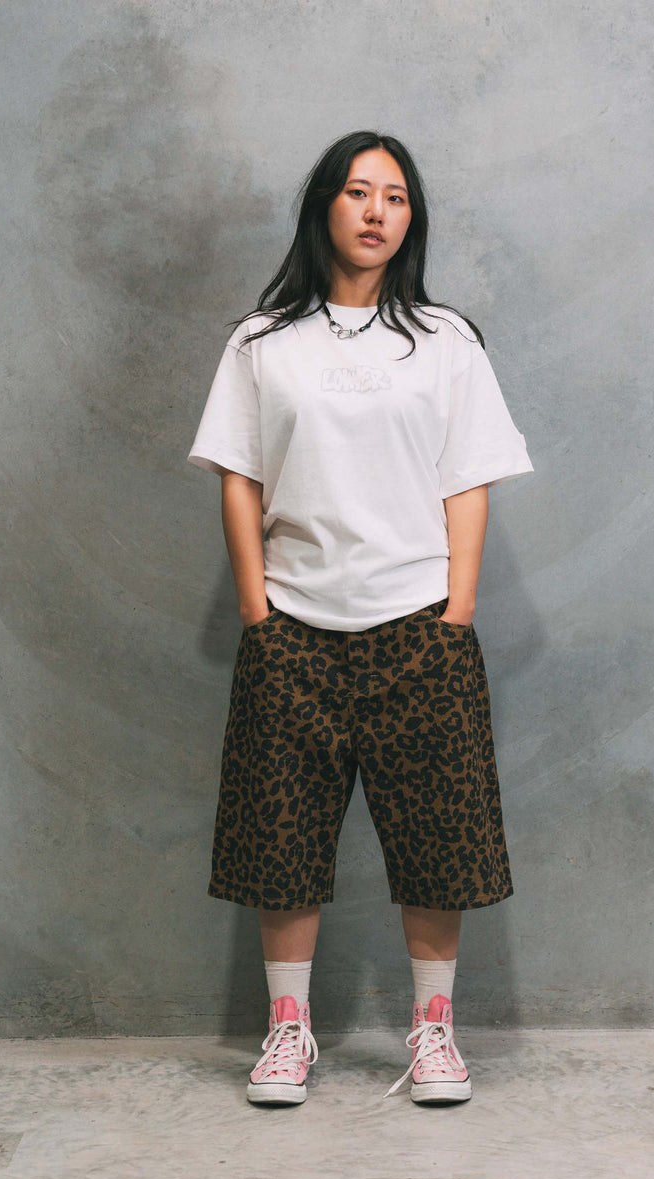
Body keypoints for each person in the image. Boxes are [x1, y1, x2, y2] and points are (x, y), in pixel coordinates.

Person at [187, 130, 533, 1107]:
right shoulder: (262, 343)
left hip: (418, 622)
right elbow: (239, 475)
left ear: (410, 218)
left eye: (395, 196)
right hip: (292, 625)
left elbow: (467, 479)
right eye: (356, 191)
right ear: (324, 208)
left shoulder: (445, 341)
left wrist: (455, 612)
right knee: (279, 837)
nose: (376, 211)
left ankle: (434, 1033)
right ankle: (286, 1033)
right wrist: (255, 609)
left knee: (439, 838)